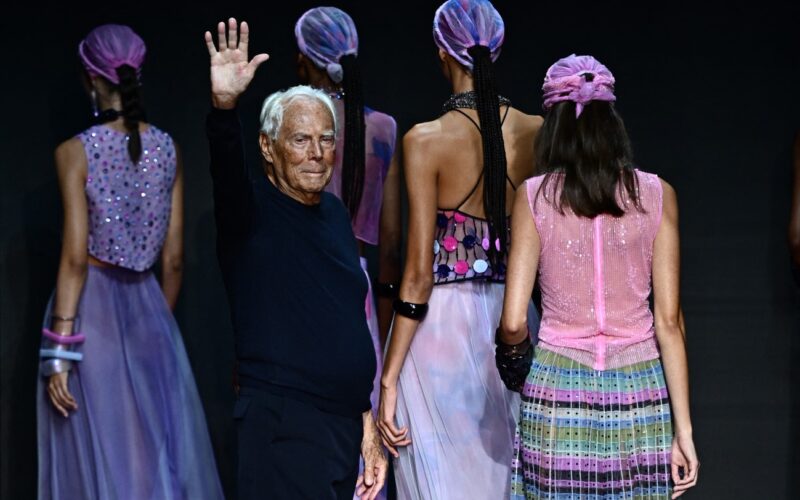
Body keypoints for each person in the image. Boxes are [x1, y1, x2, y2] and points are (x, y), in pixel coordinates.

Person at [496, 54, 699, 499]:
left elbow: (512, 322)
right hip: (640, 389)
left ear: (553, 126)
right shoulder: (657, 194)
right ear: (612, 121)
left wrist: (514, 362)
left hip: (557, 386)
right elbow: (669, 323)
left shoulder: (533, 198)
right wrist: (683, 430)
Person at [37, 24, 224, 499]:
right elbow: (174, 261)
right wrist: (156, 319)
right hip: (150, 310)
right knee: (150, 453)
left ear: (89, 77)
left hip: (91, 315)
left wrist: (59, 349)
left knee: (104, 455)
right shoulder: (168, 148)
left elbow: (74, 259)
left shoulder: (75, 152)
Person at [203, 18, 387, 500]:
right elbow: (225, 170)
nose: (317, 153)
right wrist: (224, 109)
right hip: (283, 426)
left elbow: (343, 325)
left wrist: (367, 427)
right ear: (268, 147)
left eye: (326, 139)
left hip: (340, 427)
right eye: (301, 140)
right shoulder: (249, 212)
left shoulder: (334, 213)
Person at [377, 1, 541, 498]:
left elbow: (417, 276)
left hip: (439, 333)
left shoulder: (425, 140)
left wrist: (388, 378)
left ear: (441, 53)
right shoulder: (536, 131)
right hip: (516, 323)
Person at [294, 1, 401, 430]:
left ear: (304, 61)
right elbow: (390, 246)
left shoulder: (289, 131)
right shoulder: (383, 129)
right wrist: (387, 338)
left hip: (300, 284)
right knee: (358, 428)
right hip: (358, 292)